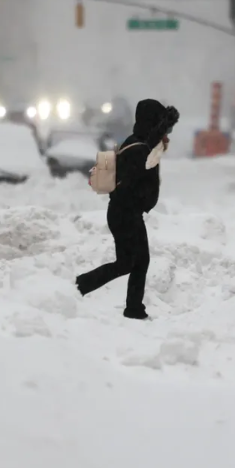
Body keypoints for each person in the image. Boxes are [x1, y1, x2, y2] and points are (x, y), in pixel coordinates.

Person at [75, 99, 180, 320]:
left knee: (132, 262)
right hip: (125, 214)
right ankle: (81, 286)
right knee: (133, 262)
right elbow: (139, 165)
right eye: (162, 126)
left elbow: (149, 146)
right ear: (152, 123)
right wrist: (161, 127)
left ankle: (129, 305)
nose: (166, 134)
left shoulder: (138, 143)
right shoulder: (138, 148)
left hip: (125, 213)